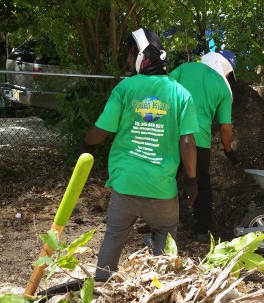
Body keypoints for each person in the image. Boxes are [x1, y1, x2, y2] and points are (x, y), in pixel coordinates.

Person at [79, 28, 199, 281]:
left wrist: (86, 145)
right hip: (161, 188)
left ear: (140, 56)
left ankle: (101, 285)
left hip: (126, 184)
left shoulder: (125, 89)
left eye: (129, 53)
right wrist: (191, 180)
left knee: (114, 236)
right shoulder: (181, 94)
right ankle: (162, 290)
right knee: (166, 241)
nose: (126, 59)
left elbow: (101, 131)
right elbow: (187, 141)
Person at [169, 50, 239, 242]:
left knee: (167, 180)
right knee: (201, 185)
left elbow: (163, 87)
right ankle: (201, 230)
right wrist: (228, 150)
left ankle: (161, 229)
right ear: (226, 68)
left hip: (170, 136)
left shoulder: (185, 68)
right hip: (199, 141)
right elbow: (225, 128)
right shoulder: (224, 89)